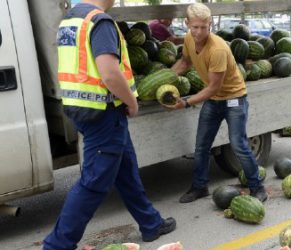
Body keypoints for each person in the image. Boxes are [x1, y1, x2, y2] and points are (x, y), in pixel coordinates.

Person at [43, 1, 176, 249]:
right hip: (103, 112)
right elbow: (109, 73)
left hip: (80, 107)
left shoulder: (72, 19)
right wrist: (131, 102)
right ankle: (57, 245)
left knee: (126, 168)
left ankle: (151, 223)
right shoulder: (100, 21)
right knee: (94, 182)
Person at [168, 3, 268, 203]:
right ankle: (199, 186)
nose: (198, 32)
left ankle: (257, 187)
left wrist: (186, 103)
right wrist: (165, 78)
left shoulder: (218, 49)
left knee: (238, 144)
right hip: (213, 101)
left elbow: (213, 87)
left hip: (233, 99)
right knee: (201, 146)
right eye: (195, 27)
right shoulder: (189, 39)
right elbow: (185, 63)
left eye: (204, 27)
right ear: (187, 23)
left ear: (210, 24)